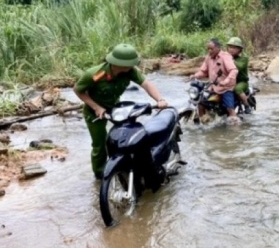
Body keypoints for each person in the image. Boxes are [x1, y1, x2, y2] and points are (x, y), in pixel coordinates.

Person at [74, 43, 168, 180]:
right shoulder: (96, 74)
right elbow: (78, 90)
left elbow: (146, 84)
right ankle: (101, 175)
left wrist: (160, 99)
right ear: (119, 64)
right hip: (94, 111)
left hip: (115, 108)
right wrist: (96, 107)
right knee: (99, 145)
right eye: (129, 64)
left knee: (126, 136)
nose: (131, 66)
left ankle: (127, 166)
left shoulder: (130, 72)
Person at [190, 38, 238, 120]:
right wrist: (195, 76)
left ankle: (236, 127)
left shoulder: (225, 57)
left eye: (211, 49)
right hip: (213, 88)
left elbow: (234, 70)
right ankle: (204, 124)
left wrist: (225, 81)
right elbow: (203, 71)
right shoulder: (209, 58)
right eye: (208, 49)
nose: (209, 51)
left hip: (226, 88)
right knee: (201, 104)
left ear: (218, 48)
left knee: (230, 109)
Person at [226, 37, 252, 114]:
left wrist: (229, 59)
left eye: (234, 48)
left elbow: (239, 67)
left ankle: (247, 106)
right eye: (230, 47)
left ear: (240, 49)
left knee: (237, 89)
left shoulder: (244, 58)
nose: (231, 49)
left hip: (241, 81)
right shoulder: (226, 56)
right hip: (229, 80)